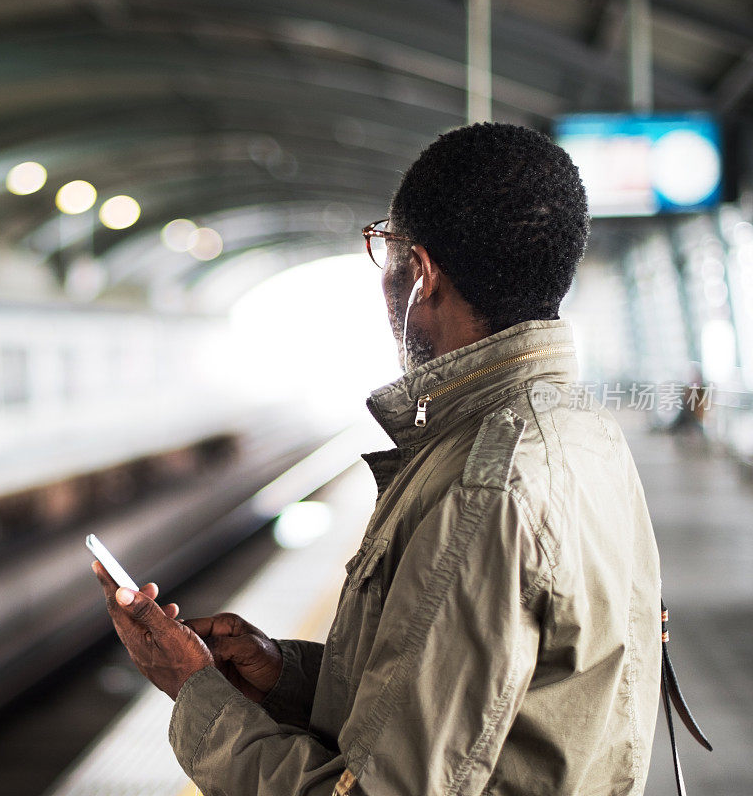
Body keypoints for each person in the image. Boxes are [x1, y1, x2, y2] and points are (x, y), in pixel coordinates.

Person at [94, 122, 662, 795]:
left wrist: (192, 693)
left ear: (420, 275)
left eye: (385, 249)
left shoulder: (485, 486)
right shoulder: (582, 432)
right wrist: (283, 675)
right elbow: (477, 713)